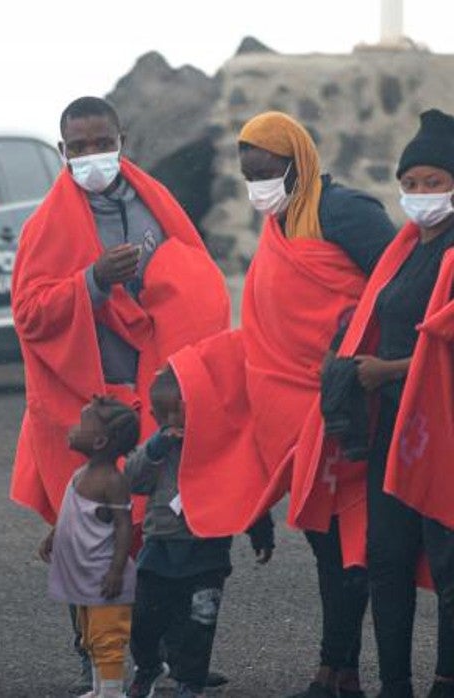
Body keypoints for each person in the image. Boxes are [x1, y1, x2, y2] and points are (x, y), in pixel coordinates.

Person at [164, 111, 396, 698]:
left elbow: (399, 284)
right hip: (290, 411)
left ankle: (335, 670)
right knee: (326, 539)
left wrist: (362, 350)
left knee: (349, 540)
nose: (257, 185)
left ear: (299, 162)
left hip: (343, 407)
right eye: (248, 175)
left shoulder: (345, 212)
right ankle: (338, 672)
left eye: (267, 172)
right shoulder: (282, 220)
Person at [9, 96, 229, 692]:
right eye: (77, 148)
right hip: (85, 405)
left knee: (162, 532)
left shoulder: (155, 205)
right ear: (62, 152)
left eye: (100, 143)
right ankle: (96, 665)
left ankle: (161, 658)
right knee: (88, 533)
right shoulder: (45, 226)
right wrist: (92, 282)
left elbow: (196, 273)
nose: (91, 156)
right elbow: (28, 312)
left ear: (121, 139)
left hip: (155, 396)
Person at [293, 108, 454, 698]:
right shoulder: (404, 250)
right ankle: (394, 685)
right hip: (393, 428)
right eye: (410, 185)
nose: (419, 196)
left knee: (448, 562)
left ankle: (444, 682)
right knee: (386, 560)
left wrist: (387, 369)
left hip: (445, 433)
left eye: (433, 182)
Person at [123, 369, 275, 698]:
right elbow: (132, 479)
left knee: (198, 623)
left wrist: (260, 529)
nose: (179, 425)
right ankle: (148, 665)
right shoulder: (156, 455)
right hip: (160, 547)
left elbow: (243, 488)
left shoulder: (218, 448)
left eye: (186, 413)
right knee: (144, 618)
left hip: (207, 551)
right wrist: (156, 445)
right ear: (156, 416)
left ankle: (190, 680)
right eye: (169, 417)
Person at [39, 395, 140, 698]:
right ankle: (99, 689)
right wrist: (53, 535)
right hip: (86, 574)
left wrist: (117, 570)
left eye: (81, 425)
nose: (72, 429)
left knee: (108, 636)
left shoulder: (112, 480)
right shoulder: (80, 475)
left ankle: (111, 692)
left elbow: (124, 526)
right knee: (91, 635)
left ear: (98, 441)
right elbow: (71, 512)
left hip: (104, 574)